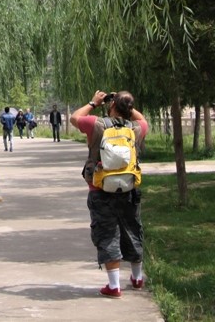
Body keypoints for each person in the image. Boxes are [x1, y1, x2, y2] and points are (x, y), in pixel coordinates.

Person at [70, 90, 149, 298]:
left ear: (111, 105)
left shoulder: (96, 124)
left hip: (100, 188)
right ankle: (137, 278)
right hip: (129, 188)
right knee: (132, 229)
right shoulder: (137, 128)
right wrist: (125, 104)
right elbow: (142, 119)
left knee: (107, 233)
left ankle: (114, 286)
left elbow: (74, 118)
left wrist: (94, 102)